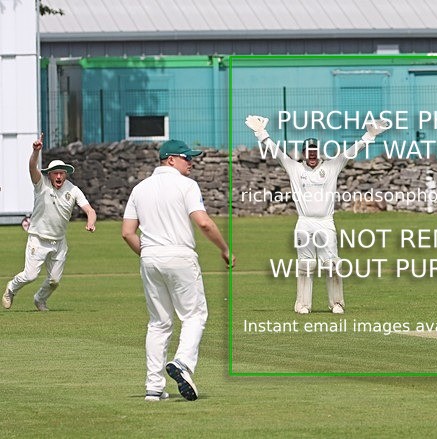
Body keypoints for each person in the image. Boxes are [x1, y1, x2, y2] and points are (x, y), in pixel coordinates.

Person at [122, 139, 235, 402]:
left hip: (149, 257)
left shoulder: (139, 188)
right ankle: (182, 363)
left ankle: (153, 387)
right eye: (187, 158)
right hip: (180, 255)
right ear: (170, 159)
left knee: (158, 323)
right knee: (195, 315)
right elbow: (204, 223)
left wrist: (149, 253)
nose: (191, 163)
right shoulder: (187, 185)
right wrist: (225, 249)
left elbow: (127, 233)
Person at [245, 115, 389, 315]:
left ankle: (337, 303)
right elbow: (276, 152)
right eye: (308, 152)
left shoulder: (331, 166)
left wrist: (369, 134)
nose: (312, 155)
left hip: (325, 222)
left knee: (332, 264)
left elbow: (352, 151)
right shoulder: (294, 167)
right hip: (304, 222)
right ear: (303, 154)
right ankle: (303, 304)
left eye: (314, 151)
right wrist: (261, 133)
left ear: (319, 152)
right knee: (305, 265)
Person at [3, 133, 97, 312]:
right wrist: (35, 152)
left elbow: (90, 210)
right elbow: (32, 168)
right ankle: (11, 289)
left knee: (54, 281)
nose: (59, 176)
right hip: (38, 239)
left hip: (59, 241)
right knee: (30, 275)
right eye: (56, 173)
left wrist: (91, 222)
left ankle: (39, 299)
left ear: (66, 174)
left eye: (62, 173)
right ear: (50, 174)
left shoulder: (73, 190)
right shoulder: (41, 184)